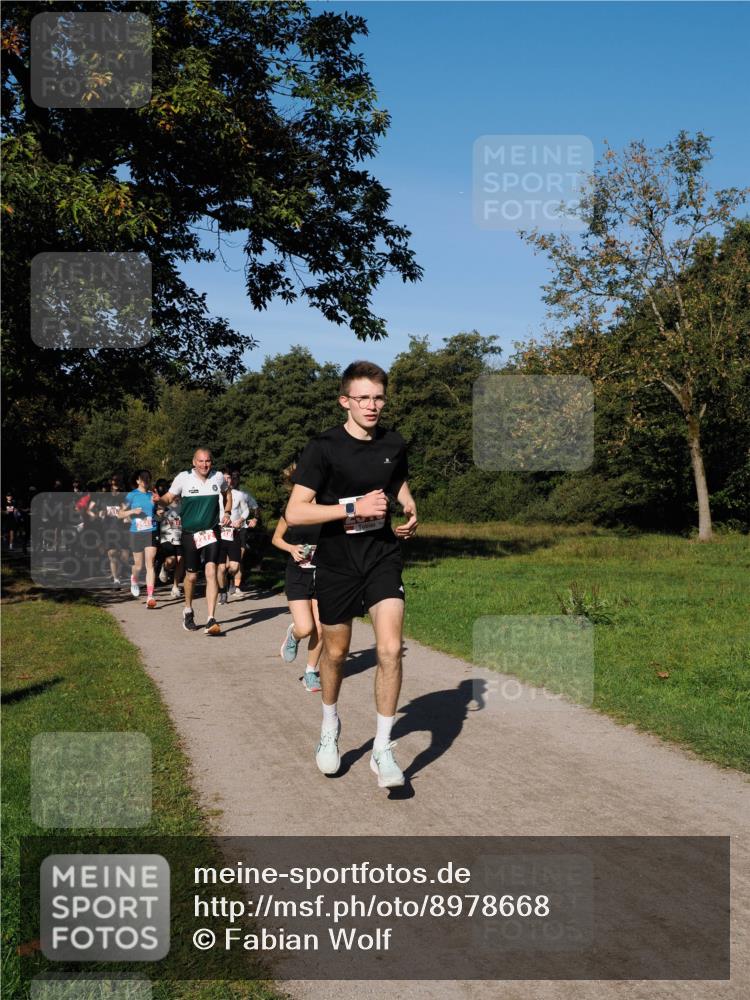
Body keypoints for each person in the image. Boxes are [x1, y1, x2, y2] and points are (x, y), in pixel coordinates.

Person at [286, 360, 418, 788]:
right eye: (363, 397)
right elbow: (295, 511)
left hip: (381, 554)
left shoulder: (393, 443)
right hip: (337, 560)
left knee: (390, 649)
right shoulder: (322, 448)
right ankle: (330, 727)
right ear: (345, 401)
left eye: (378, 397)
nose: (372, 405)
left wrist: (409, 505)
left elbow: (394, 479)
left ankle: (382, 748)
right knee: (337, 654)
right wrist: (351, 507)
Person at [155, 448, 232, 635]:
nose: (204, 465)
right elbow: (169, 497)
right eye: (200, 461)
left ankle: (210, 619)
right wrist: (159, 501)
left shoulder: (218, 477)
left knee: (211, 570)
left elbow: (227, 495)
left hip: (211, 531)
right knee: (191, 576)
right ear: (193, 462)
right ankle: (188, 610)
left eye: (208, 461)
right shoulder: (183, 478)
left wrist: (227, 512)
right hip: (190, 533)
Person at [272, 463, 323, 693]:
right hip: (298, 573)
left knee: (321, 629)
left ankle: (310, 672)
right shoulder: (292, 509)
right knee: (306, 627)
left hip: (322, 572)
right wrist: (291, 548)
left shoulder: (326, 506)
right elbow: (276, 539)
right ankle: (294, 635)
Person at [119, 471, 159, 606]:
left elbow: (158, 511)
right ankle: (134, 579)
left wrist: (159, 511)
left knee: (151, 563)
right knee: (138, 565)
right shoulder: (132, 495)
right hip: (136, 532)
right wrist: (132, 511)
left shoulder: (152, 495)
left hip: (151, 530)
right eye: (143, 479)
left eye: (148, 478)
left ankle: (150, 596)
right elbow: (119, 514)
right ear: (137, 481)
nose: (146, 481)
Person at [217, 474, 250, 605]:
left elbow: (246, 511)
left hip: (233, 532)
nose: (226, 480)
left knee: (234, 567)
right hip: (219, 533)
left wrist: (240, 520)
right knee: (221, 568)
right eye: (223, 478)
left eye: (228, 478)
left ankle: (230, 579)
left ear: (232, 480)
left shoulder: (239, 495)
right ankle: (222, 593)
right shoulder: (215, 494)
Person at [154, 478, 184, 600]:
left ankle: (176, 586)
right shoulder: (164, 503)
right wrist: (159, 514)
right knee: (171, 560)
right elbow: (157, 519)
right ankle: (165, 568)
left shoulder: (184, 504)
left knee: (181, 560)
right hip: (167, 536)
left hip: (181, 536)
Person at [101, 474, 130, 589]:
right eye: (114, 480)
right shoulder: (105, 497)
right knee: (112, 553)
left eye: (118, 480)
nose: (116, 482)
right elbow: (101, 511)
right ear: (111, 482)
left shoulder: (125, 496)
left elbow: (127, 509)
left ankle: (120, 572)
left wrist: (127, 515)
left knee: (124, 556)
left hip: (123, 529)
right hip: (109, 529)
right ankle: (116, 579)